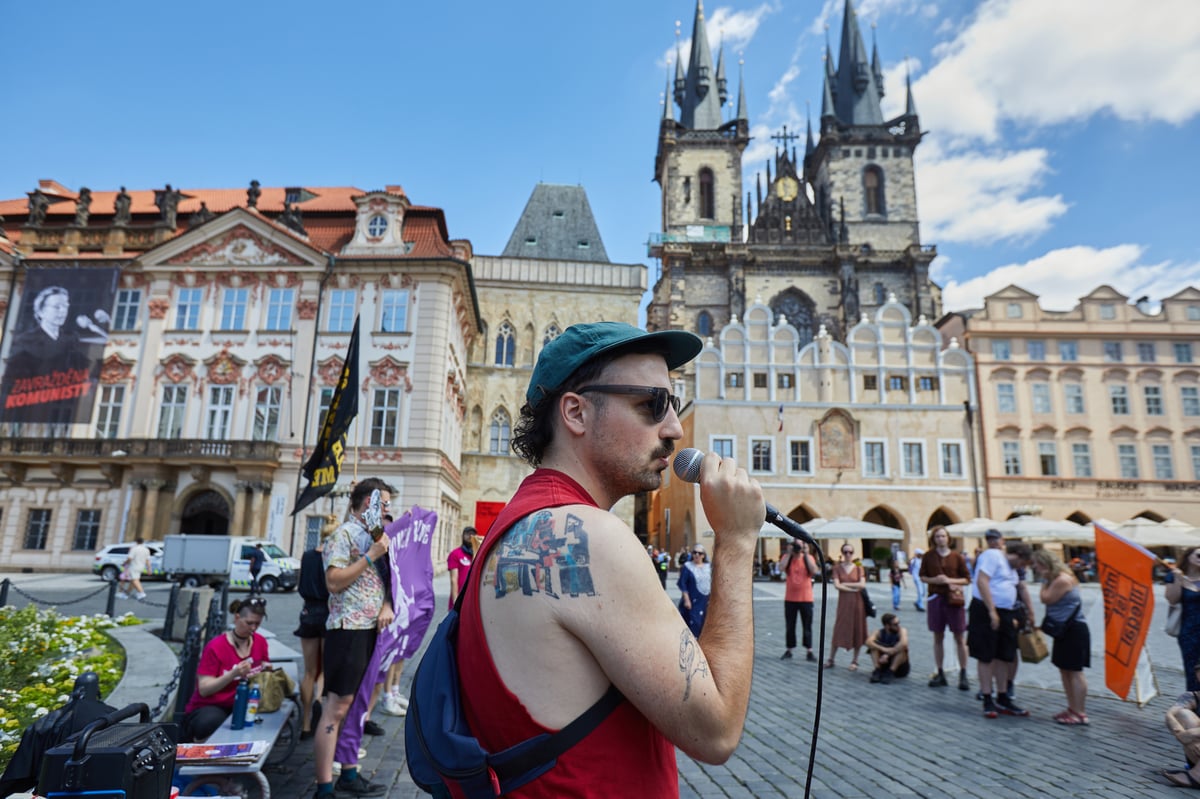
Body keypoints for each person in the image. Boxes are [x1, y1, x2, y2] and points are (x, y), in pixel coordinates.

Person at [455, 321, 764, 797]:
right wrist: (737, 540)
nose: (674, 428)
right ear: (576, 412)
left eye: (674, 404)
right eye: (652, 404)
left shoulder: (522, 520)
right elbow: (716, 730)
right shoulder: (590, 538)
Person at [314, 478, 393, 799]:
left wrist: (387, 604)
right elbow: (333, 582)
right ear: (367, 503)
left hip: (371, 628)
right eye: (383, 503)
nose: (387, 509)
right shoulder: (343, 535)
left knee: (357, 704)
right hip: (348, 629)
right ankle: (323, 786)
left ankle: (348, 772)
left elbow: (385, 581)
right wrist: (370, 556)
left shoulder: (377, 537)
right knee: (337, 707)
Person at [180, 598, 270, 742]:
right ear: (237, 618)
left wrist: (267, 670)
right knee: (210, 722)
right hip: (213, 706)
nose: (253, 628)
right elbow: (204, 689)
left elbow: (264, 667)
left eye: (257, 624)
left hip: (245, 702)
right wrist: (233, 674)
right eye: (249, 623)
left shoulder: (260, 642)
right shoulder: (216, 646)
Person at [968, 530, 1033, 719]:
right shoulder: (993, 556)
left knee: (1005, 655)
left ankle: (1003, 696)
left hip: (1006, 611)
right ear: (1017, 555)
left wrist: (1028, 611)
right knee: (986, 655)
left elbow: (1019, 587)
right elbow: (982, 581)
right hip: (986, 609)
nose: (1021, 567)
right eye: (1022, 563)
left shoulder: (1012, 568)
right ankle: (987, 698)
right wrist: (991, 611)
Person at [1030, 549, 1090, 725]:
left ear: (1045, 564)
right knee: (1065, 670)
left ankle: (1080, 712)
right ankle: (1072, 708)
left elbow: (1046, 598)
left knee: (1075, 671)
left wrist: (1043, 582)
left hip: (1073, 630)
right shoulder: (1058, 578)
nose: (1035, 568)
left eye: (1037, 564)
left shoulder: (1062, 580)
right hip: (1065, 630)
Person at [295, 516, 336, 740]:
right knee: (325, 669)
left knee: (309, 671)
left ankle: (305, 723)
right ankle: (319, 700)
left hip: (308, 612)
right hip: (329, 612)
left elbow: (301, 585)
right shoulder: (334, 558)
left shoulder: (307, 556)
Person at [920, 525, 971, 690]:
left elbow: (967, 579)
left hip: (954, 600)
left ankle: (963, 673)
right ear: (933, 539)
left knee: (960, 637)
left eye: (943, 536)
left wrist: (949, 580)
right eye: (937, 536)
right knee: (938, 636)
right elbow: (922, 576)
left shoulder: (957, 557)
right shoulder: (928, 556)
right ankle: (940, 672)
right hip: (936, 598)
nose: (940, 539)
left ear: (948, 538)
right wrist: (935, 580)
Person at [825, 544, 868, 671]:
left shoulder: (859, 568)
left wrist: (845, 584)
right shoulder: (837, 568)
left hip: (857, 603)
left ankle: (855, 660)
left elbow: (862, 585)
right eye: (845, 552)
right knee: (839, 628)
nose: (848, 554)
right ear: (842, 553)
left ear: (853, 553)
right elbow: (837, 585)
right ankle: (831, 658)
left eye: (850, 552)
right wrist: (853, 587)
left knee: (857, 628)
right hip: (843, 603)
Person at [1167, 547, 1200, 692]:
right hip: (1189, 631)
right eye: (1199, 555)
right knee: (1192, 668)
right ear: (1188, 557)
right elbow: (1172, 599)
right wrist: (1178, 580)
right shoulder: (1175, 576)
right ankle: (1194, 700)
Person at [780, 539, 817, 661]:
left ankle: (809, 650)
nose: (797, 548)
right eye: (796, 545)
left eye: (800, 545)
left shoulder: (809, 558)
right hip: (790, 598)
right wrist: (789, 553)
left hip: (806, 598)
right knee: (790, 625)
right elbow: (781, 568)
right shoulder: (788, 557)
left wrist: (806, 553)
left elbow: (814, 571)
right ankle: (789, 649)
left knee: (807, 625)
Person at [1164, 673, 1200, 788]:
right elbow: (1170, 715)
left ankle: (1197, 775)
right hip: (1196, 752)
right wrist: (1180, 733)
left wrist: (1192, 733)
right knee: (1183, 714)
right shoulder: (1191, 696)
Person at [678, 543, 713, 637]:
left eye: (700, 553)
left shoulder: (708, 567)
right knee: (694, 622)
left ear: (703, 555)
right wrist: (686, 599)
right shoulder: (688, 566)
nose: (697, 555)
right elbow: (683, 583)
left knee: (704, 623)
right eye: (695, 552)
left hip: (704, 600)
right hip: (692, 600)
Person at [866, 613, 909, 683]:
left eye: (898, 623)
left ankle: (891, 672)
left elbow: (904, 643)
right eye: (895, 624)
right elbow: (868, 642)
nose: (898, 626)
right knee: (873, 647)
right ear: (887, 626)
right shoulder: (878, 632)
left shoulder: (902, 631)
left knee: (903, 650)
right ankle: (877, 670)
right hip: (883, 663)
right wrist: (883, 649)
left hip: (899, 668)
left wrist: (887, 654)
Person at [446, 526, 476, 609]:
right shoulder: (455, 554)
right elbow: (453, 580)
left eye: (473, 534)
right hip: (459, 599)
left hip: (471, 601)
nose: (470, 536)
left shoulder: (477, 555)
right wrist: (455, 602)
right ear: (462, 536)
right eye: (468, 534)